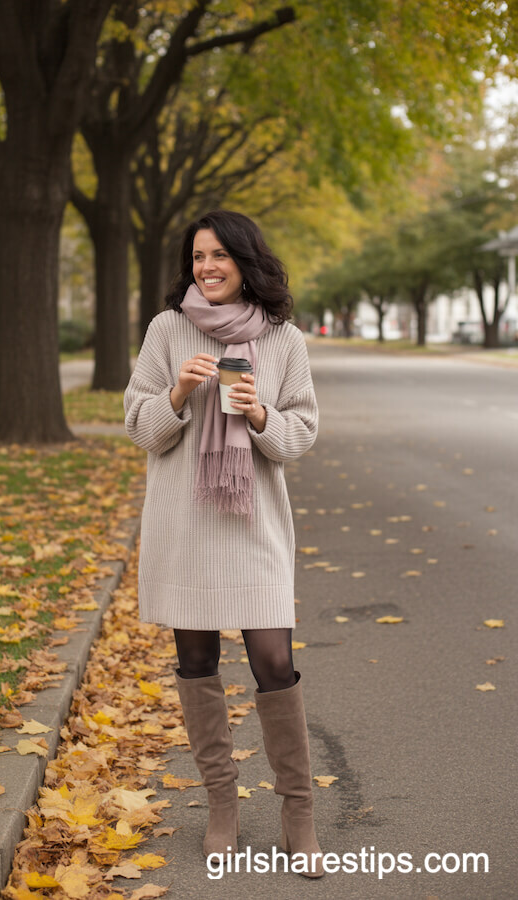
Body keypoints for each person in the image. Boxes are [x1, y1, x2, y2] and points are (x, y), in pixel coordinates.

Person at [124, 209, 323, 878]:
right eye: (198, 256)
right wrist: (178, 393)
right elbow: (140, 427)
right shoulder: (166, 330)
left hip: (255, 524)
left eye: (219, 256)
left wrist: (261, 413)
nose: (207, 267)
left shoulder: (285, 338)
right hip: (187, 526)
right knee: (198, 662)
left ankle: (299, 813)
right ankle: (221, 807)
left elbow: (301, 432)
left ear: (245, 261)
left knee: (273, 661)